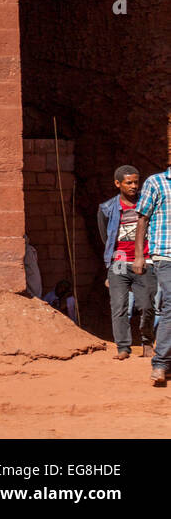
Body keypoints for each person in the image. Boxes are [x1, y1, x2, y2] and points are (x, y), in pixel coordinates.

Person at [98, 165, 155, 359]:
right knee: (119, 305)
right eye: (128, 182)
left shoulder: (146, 204)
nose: (133, 186)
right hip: (119, 263)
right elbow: (106, 237)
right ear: (117, 184)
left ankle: (147, 341)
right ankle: (123, 347)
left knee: (147, 305)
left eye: (136, 182)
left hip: (144, 261)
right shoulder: (107, 208)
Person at [131, 164, 171, 385]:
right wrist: (139, 256)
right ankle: (160, 363)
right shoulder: (156, 182)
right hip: (165, 254)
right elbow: (142, 219)